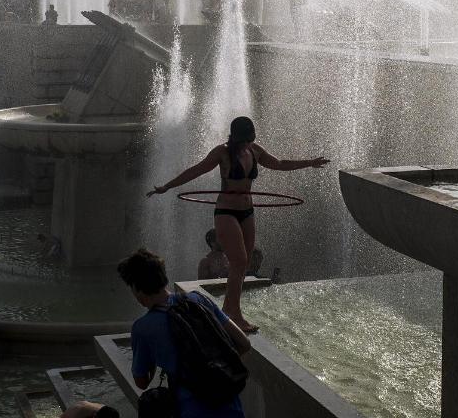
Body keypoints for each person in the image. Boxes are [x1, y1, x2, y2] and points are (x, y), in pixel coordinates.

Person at [147, 116, 328, 333]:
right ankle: (234, 314)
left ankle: (228, 308)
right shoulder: (221, 152)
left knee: (244, 262)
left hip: (247, 211)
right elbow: (196, 170)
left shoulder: (254, 150)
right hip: (227, 211)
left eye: (249, 139)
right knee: (240, 261)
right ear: (236, 136)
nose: (246, 143)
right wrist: (167, 186)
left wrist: (309, 163)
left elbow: (279, 164)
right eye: (244, 140)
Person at [119, 249, 251, 418]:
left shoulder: (143, 327)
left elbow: (141, 382)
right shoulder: (198, 299)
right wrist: (215, 366)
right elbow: (244, 344)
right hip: (229, 401)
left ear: (137, 289)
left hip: (190, 407)